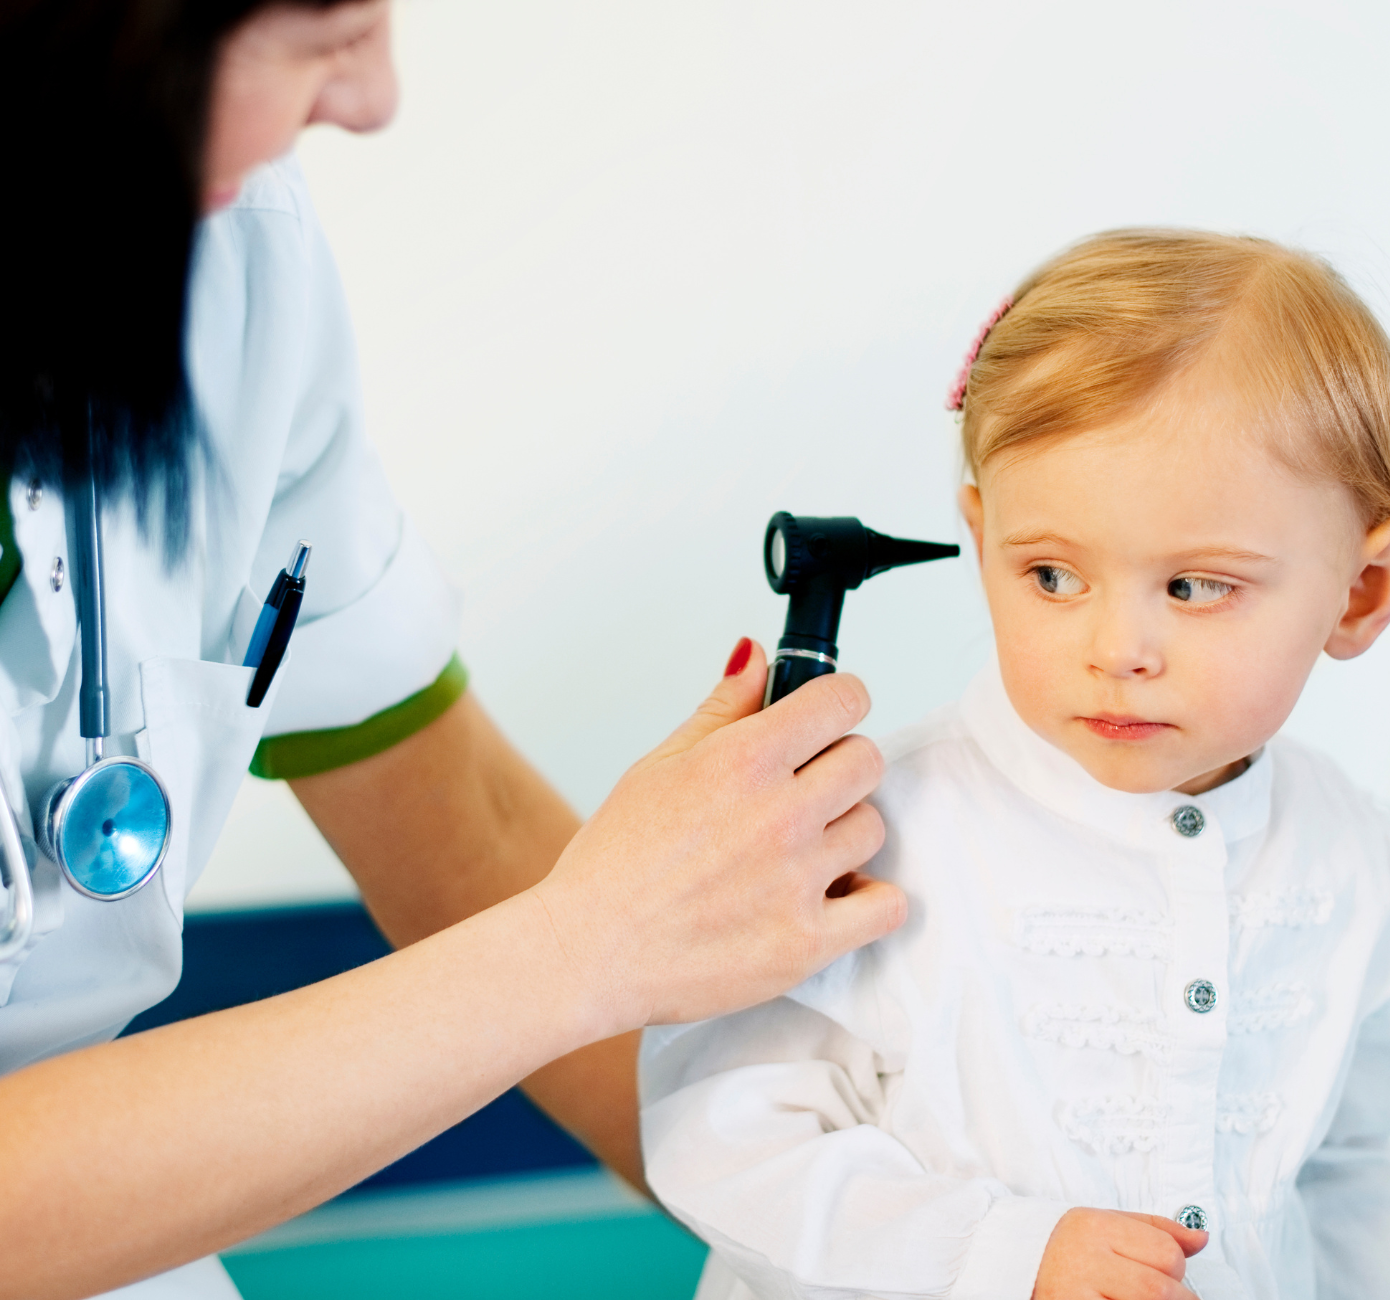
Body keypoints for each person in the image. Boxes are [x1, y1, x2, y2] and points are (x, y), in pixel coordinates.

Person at [0, 3, 907, 1298]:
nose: (371, 100)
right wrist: (587, 948)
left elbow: (457, 823)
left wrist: (880, 1232)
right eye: (318, 28)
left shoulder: (219, 251)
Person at [640, 230, 1390, 1300]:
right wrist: (1001, 1255)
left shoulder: (1367, 867)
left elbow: (1350, 1170)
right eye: (1053, 573)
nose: (1117, 649)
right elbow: (725, 1135)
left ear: (1360, 590)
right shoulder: (863, 831)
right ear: (983, 533)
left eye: (1195, 587)